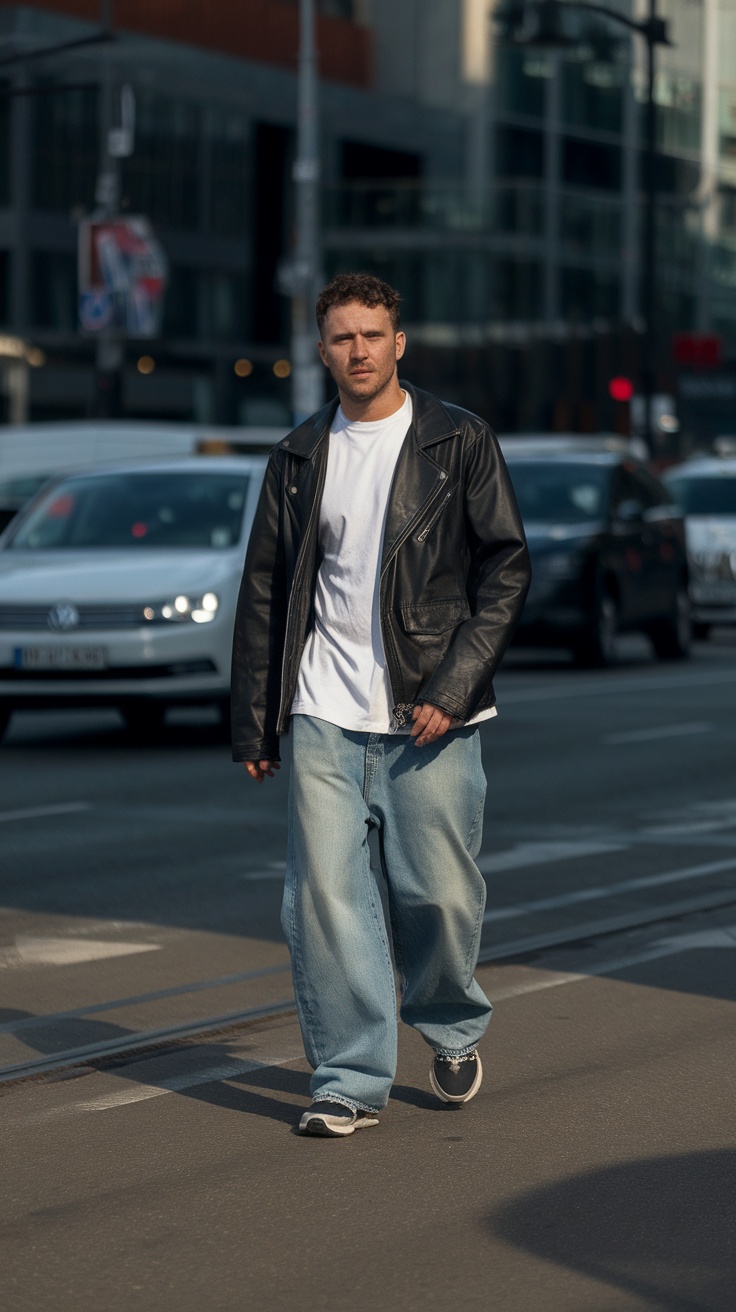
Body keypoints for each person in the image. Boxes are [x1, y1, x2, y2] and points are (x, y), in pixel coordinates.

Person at [231, 273, 530, 1138]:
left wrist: (452, 687)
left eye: (372, 335)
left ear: (399, 343)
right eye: (340, 338)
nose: (357, 351)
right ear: (321, 350)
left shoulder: (459, 441)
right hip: (325, 708)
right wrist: (257, 718)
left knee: (436, 893)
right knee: (323, 898)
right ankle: (348, 1077)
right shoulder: (296, 457)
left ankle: (449, 1024)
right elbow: (266, 592)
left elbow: (504, 569)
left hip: (429, 714)